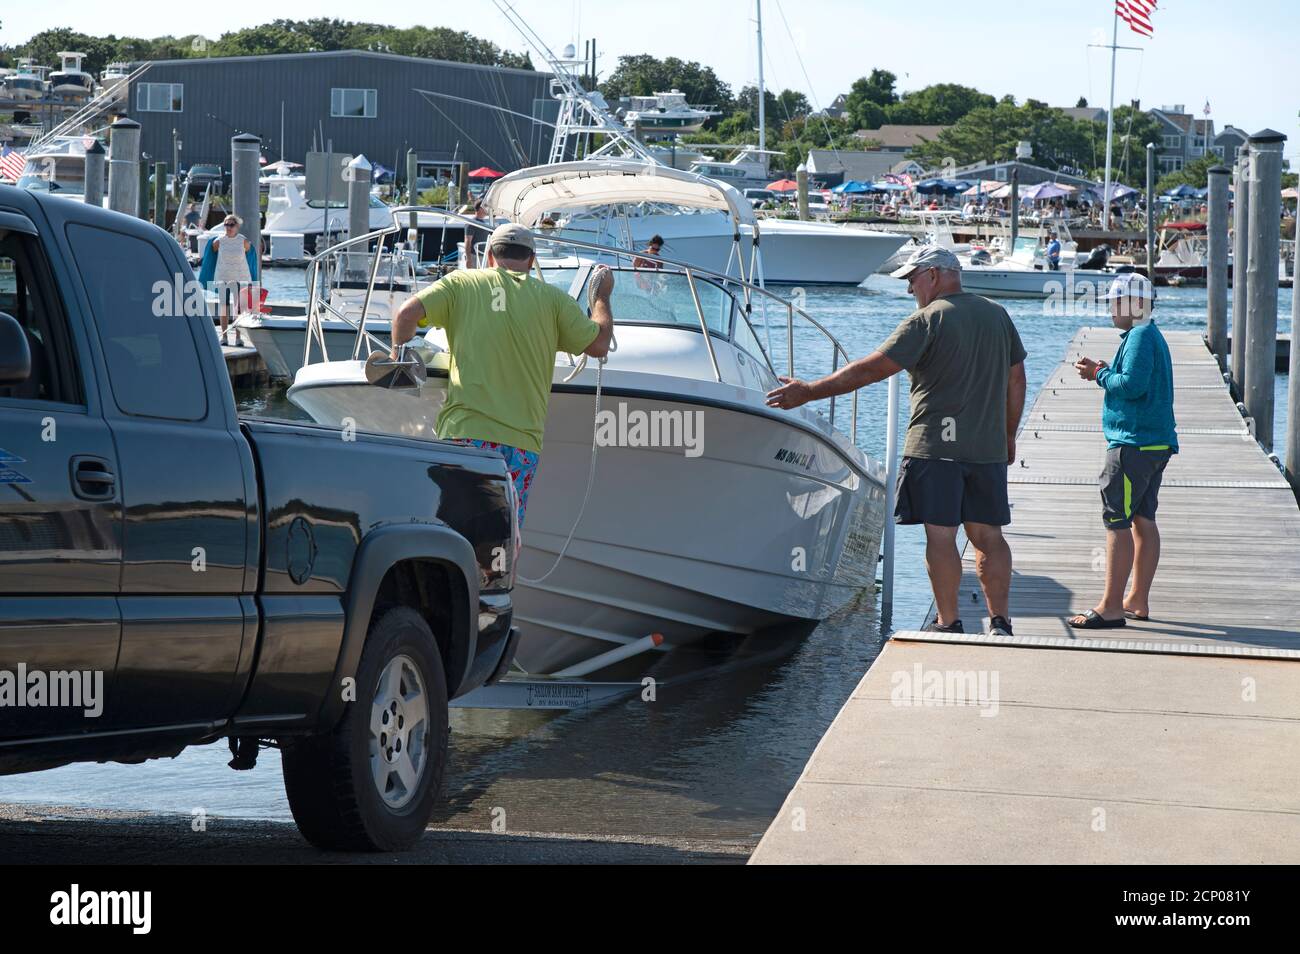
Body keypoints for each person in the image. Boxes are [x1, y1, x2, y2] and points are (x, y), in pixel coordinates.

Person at [766, 245, 1027, 636]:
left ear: (934, 275)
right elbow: (1017, 379)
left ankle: (949, 622)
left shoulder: (926, 321)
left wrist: (808, 391)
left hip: (935, 450)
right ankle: (1001, 623)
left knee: (941, 536)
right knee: (988, 537)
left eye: (911, 279)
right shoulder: (997, 315)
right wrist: (1007, 435)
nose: (909, 290)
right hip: (986, 451)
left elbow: (870, 371)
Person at [388, 223, 616, 537]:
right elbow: (599, 345)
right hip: (520, 446)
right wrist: (601, 296)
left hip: (465, 436)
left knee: (452, 536)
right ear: (533, 259)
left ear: (491, 257)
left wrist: (398, 359)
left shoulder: (461, 284)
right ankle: (492, 585)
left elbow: (405, 315)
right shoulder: (553, 301)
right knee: (500, 543)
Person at [1068, 273, 1177, 628]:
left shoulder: (1140, 337)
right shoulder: (1149, 335)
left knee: (1117, 520)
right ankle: (1137, 599)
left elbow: (1131, 386)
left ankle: (1112, 605)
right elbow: (1135, 381)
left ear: (1135, 304)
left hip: (1133, 444)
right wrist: (1105, 369)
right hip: (1155, 442)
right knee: (1143, 520)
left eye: (1115, 302)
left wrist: (1099, 375)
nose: (1110, 309)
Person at [197, 214, 256, 347]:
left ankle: (238, 338)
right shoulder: (218, 241)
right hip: (223, 277)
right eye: (226, 224)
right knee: (224, 307)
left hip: (240, 277)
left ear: (237, 226)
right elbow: (210, 256)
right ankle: (224, 337)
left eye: (231, 225)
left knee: (238, 309)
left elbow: (250, 256)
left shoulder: (244, 241)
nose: (228, 227)